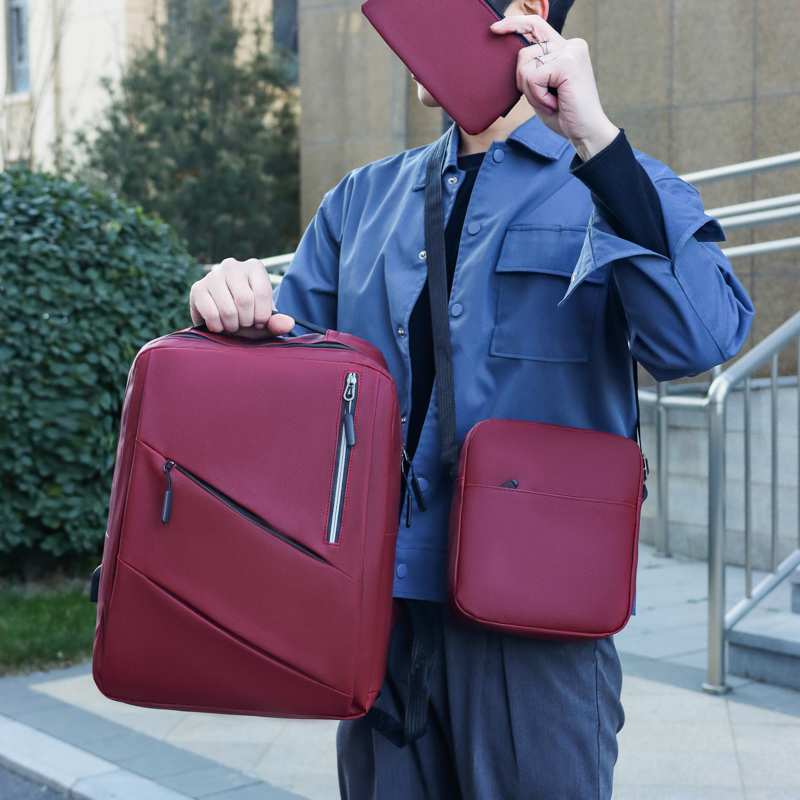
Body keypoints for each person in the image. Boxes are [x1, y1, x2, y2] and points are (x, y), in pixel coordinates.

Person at [189, 1, 754, 796]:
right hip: (378, 617)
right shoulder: (362, 202)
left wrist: (595, 138)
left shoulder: (620, 184)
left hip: (540, 628)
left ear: (522, 14)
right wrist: (228, 305)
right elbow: (285, 384)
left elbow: (698, 341)